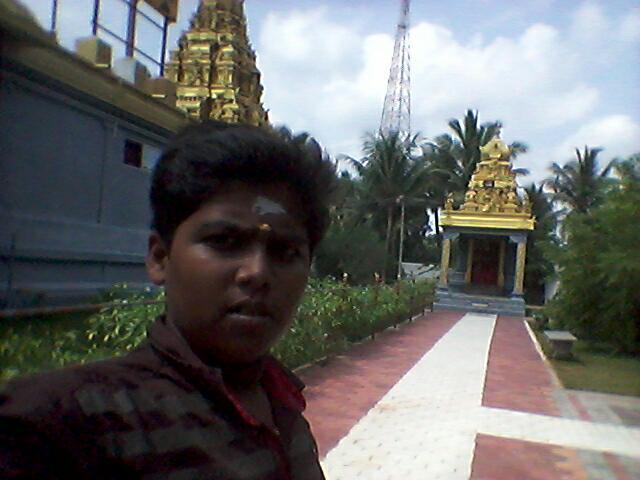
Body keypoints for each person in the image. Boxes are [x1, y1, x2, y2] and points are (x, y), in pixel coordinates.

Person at [0, 121, 336, 479]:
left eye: (285, 252)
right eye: (224, 242)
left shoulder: (284, 405)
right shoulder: (59, 428)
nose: (257, 272)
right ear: (160, 258)